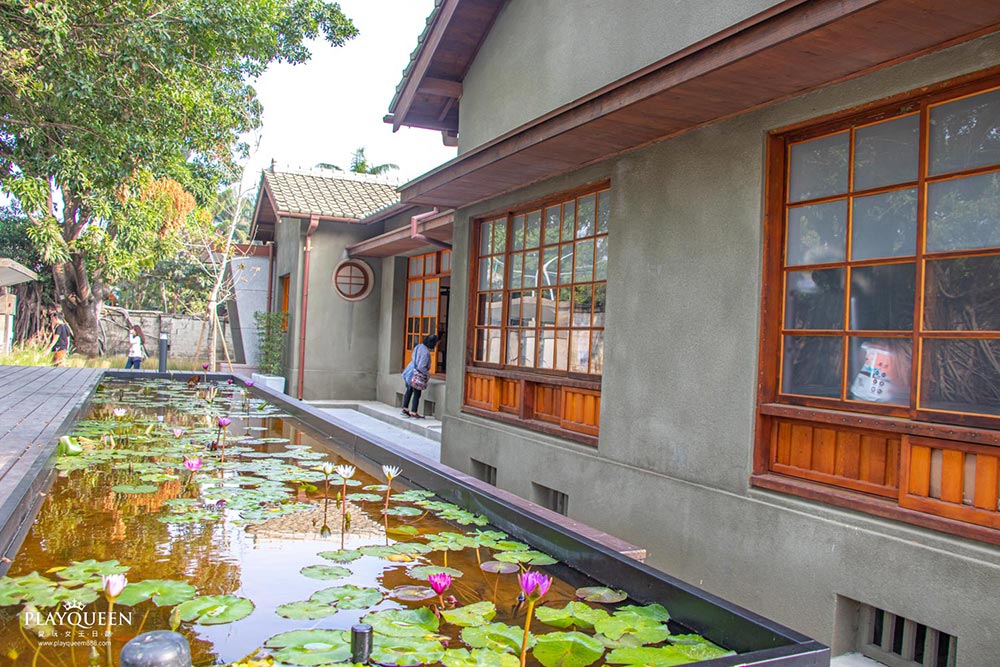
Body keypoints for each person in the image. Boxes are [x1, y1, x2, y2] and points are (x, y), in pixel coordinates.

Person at [401, 334, 438, 418]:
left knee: (409, 390)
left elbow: (413, 357)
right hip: (417, 374)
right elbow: (421, 367)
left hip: (409, 370)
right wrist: (427, 374)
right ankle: (414, 412)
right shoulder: (426, 353)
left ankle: (405, 409)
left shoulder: (419, 346)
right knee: (417, 393)